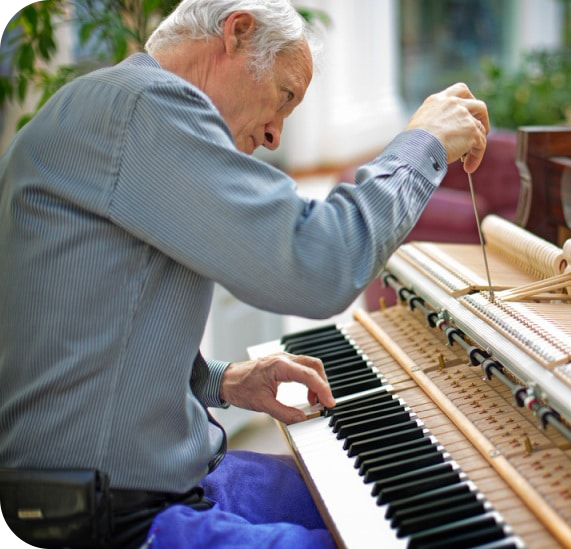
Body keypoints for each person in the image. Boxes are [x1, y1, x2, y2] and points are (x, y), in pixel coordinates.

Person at [0, 0, 489, 547]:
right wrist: (422, 145)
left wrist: (222, 380)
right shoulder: (141, 107)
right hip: (117, 518)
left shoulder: (108, 108)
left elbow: (86, 337)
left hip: (157, 485)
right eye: (285, 96)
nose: (277, 135)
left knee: (404, 497)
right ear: (236, 33)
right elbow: (319, 265)